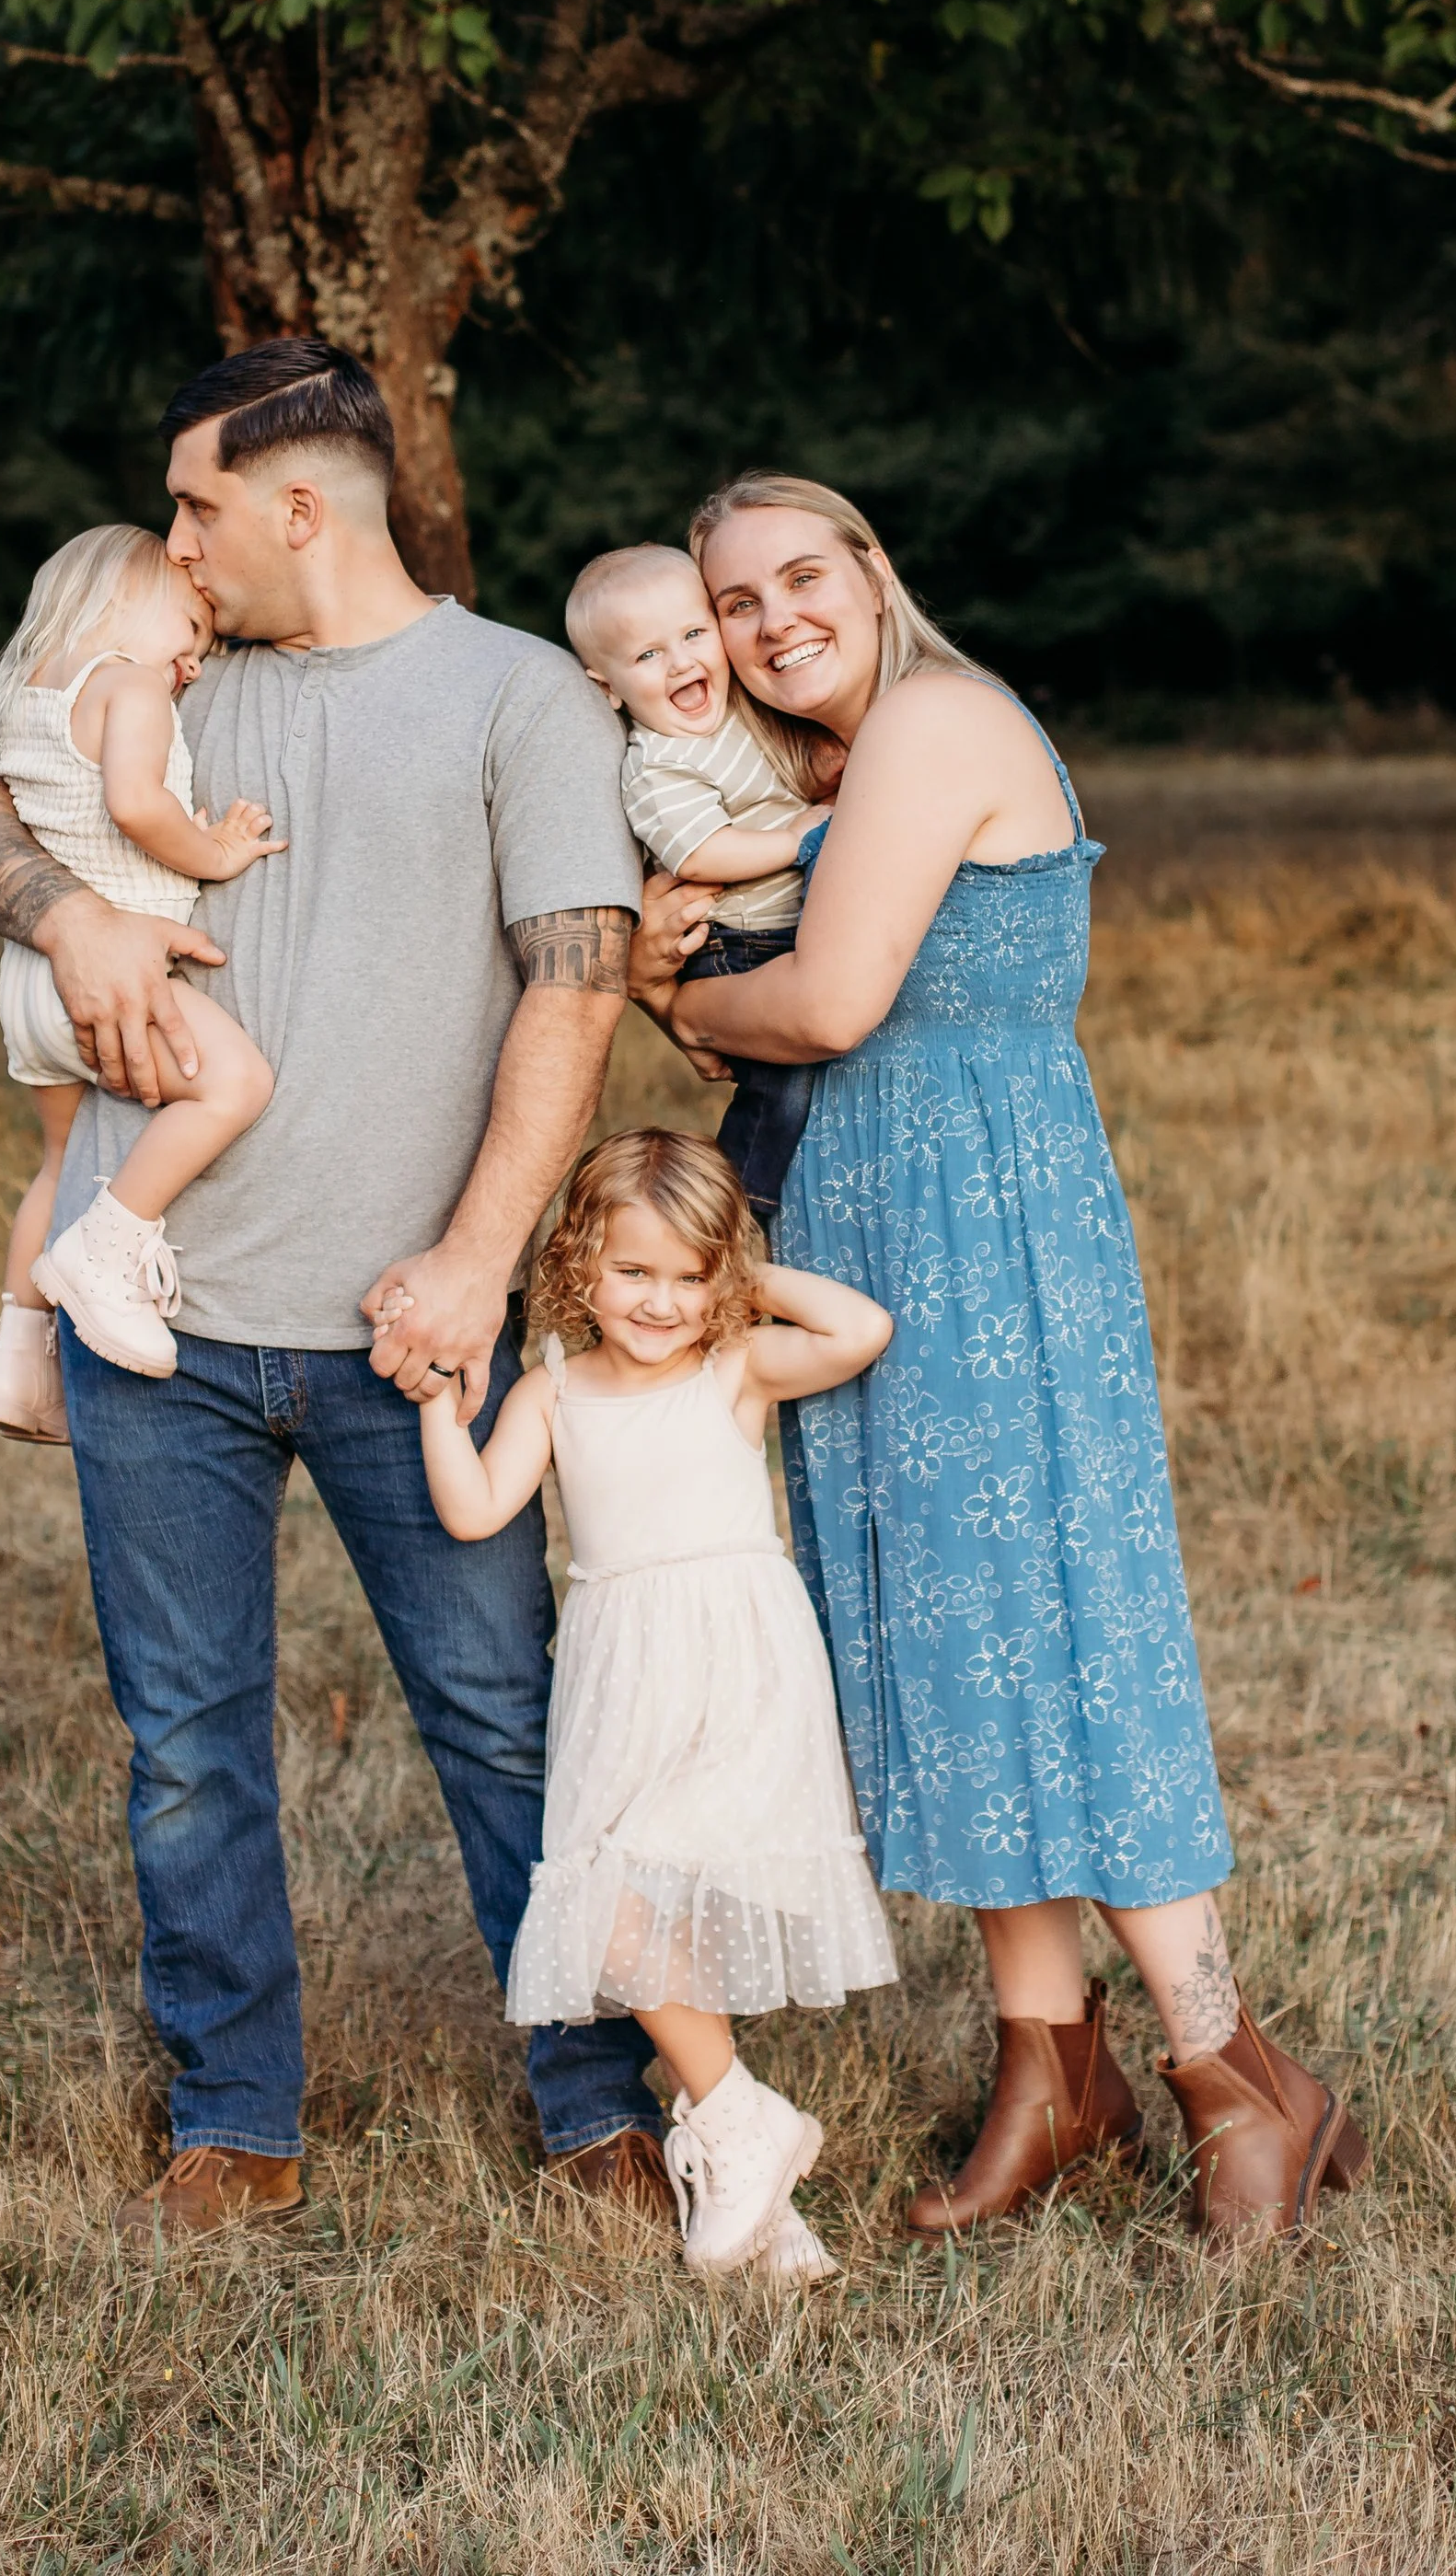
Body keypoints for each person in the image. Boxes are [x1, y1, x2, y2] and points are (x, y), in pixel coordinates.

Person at [0, 338, 672, 2241]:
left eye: (197, 507)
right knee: (187, 1747)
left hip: (413, 1334)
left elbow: (575, 990)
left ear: (298, 505)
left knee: (503, 1718)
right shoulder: (170, 679)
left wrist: (478, 1261)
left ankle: (596, 2102)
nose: (173, 543)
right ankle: (234, 2118)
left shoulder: (519, 697)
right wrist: (72, 910)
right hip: (154, 1323)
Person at [630, 472, 1369, 2243]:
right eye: (733, 603)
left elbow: (825, 1005)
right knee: (949, 1645)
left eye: (800, 577)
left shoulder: (937, 719)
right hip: (867, 1226)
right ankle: (1053, 2069)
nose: (770, 622)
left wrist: (673, 1000)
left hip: (990, 1231)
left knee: (1065, 1633)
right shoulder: (822, 776)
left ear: (872, 572)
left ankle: (1235, 2072)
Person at [420, 1127, 896, 2283]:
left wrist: (738, 1275)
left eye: (688, 1278)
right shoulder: (553, 1390)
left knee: (639, 1906)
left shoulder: (730, 1368)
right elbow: (476, 1509)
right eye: (633, 1270)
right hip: (620, 1677)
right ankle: (749, 2162)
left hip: (735, 1667)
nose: (661, 1302)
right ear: (578, 1261)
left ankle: (735, 2129)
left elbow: (859, 1330)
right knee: (632, 1918)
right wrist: (438, 1404)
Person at [0, 524, 283, 1439]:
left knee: (59, 1162)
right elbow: (136, 805)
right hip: (111, 977)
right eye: (191, 629)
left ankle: (17, 1363)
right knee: (235, 1084)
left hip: (32, 978)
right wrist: (214, 851)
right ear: (125, 600)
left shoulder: (17, 699)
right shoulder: (129, 683)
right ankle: (106, 1251)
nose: (195, 660)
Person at [565, 542, 829, 1213]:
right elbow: (702, 854)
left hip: (789, 926)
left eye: (692, 634)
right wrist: (795, 839)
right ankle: (743, 1200)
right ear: (607, 687)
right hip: (741, 945)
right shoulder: (658, 766)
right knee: (784, 1081)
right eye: (648, 654)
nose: (681, 662)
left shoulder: (743, 712)